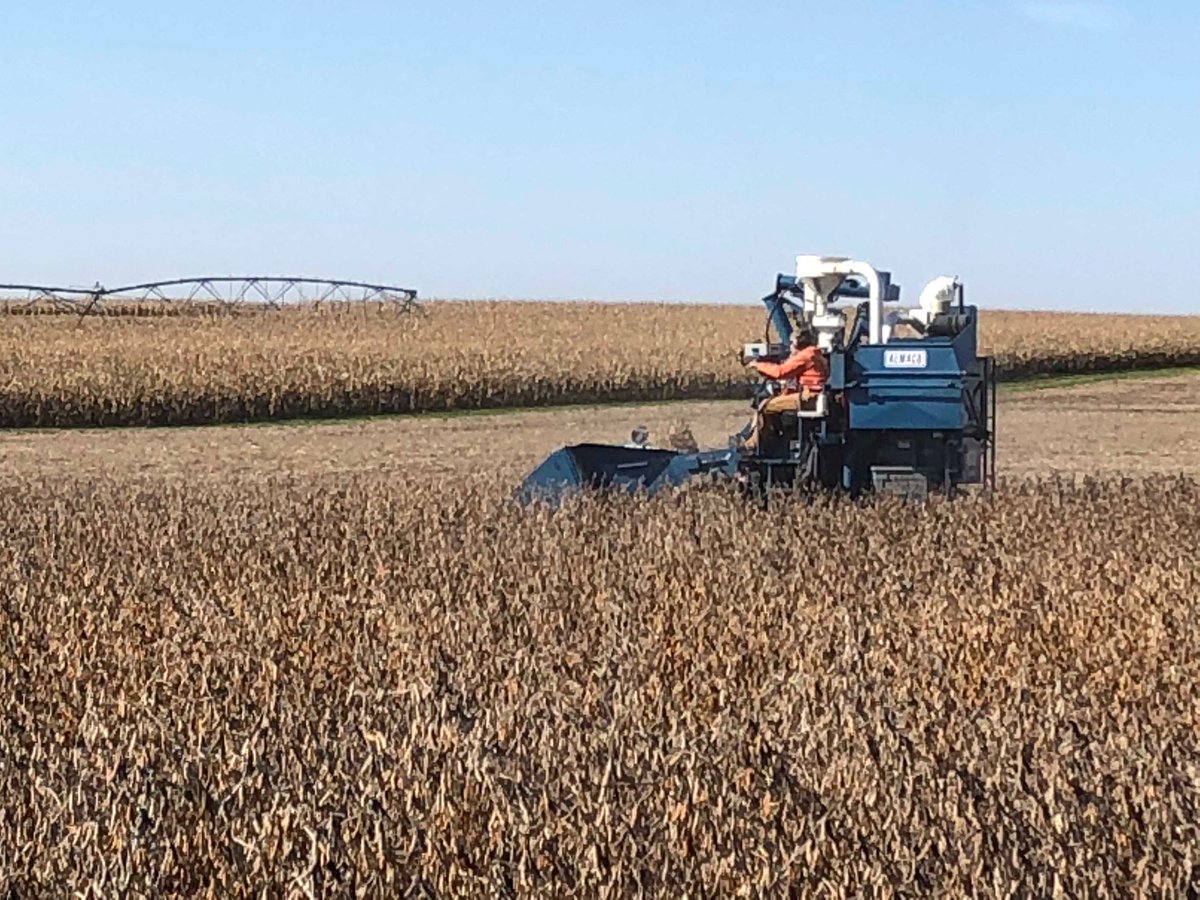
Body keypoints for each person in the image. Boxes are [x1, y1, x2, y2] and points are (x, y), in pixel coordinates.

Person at [740, 327, 828, 453]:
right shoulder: (815, 353)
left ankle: (753, 445)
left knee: (765, 406)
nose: (791, 346)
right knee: (775, 404)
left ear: (799, 342)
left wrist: (757, 364)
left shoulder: (805, 355)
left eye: (792, 343)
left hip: (808, 397)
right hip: (814, 396)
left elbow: (780, 372)